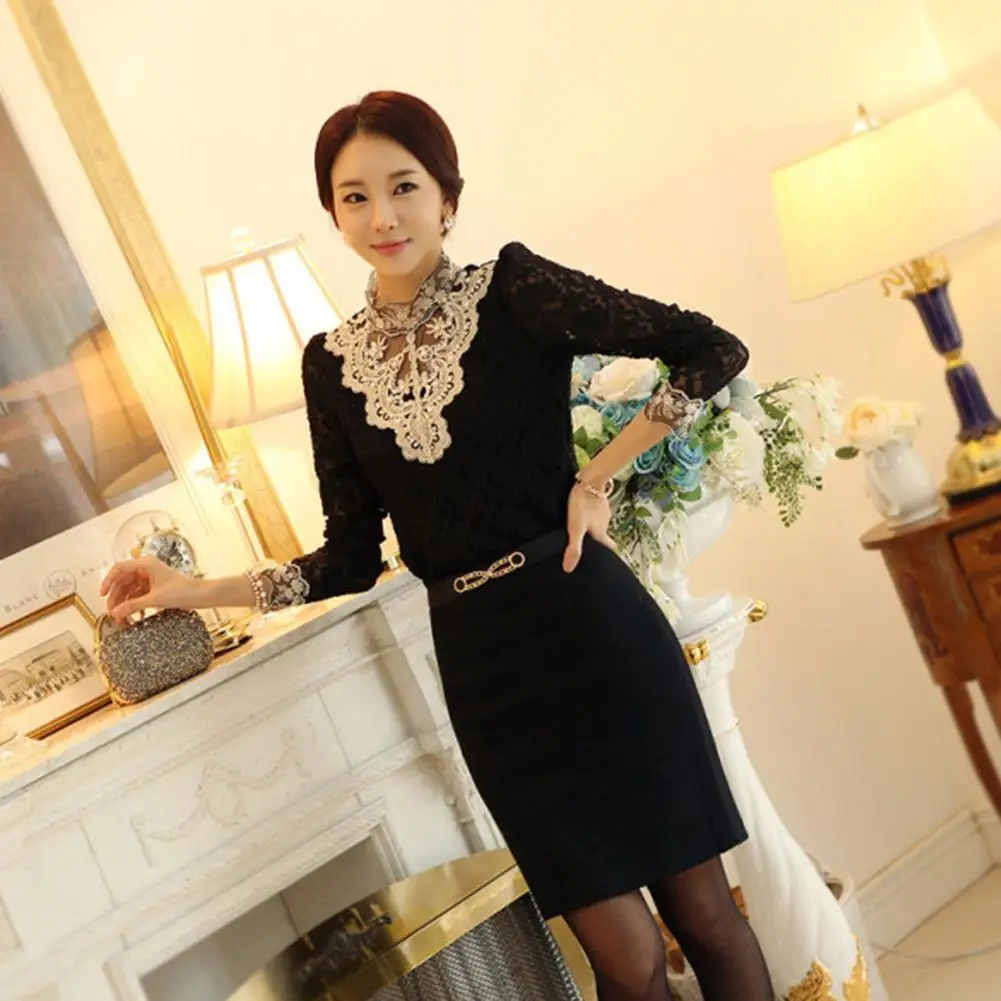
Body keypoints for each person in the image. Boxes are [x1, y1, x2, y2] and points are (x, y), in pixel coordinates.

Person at [101, 91, 772, 1001]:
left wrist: (597, 475)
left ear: (447, 196)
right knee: (626, 959)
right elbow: (346, 558)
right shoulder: (329, 365)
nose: (382, 216)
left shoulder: (516, 290)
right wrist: (189, 591)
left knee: (705, 917)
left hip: (594, 629)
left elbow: (710, 348)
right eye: (354, 197)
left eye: (403, 187)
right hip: (490, 677)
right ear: (333, 216)